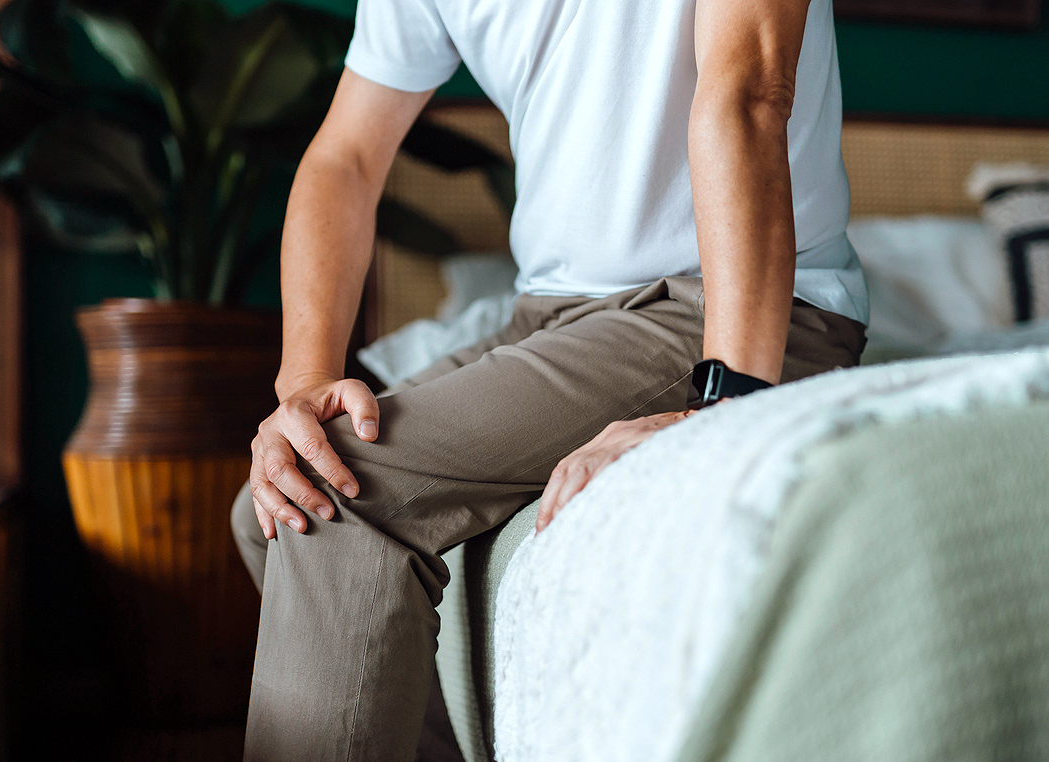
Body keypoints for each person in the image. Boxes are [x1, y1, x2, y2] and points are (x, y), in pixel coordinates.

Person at [231, 0, 869, 758]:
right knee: (273, 505)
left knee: (341, 488)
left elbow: (749, 89)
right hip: (555, 312)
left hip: (729, 309)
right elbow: (347, 159)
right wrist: (304, 383)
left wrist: (727, 404)